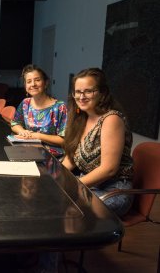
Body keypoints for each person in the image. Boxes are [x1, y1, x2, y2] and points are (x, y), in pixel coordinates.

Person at [62, 67, 133, 217]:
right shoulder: (81, 118)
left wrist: (71, 185)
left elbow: (109, 169)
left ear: (102, 92)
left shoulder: (111, 119)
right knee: (50, 200)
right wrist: (54, 177)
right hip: (87, 184)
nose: (81, 97)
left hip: (112, 191)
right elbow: (71, 159)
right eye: (78, 92)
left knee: (66, 212)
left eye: (88, 91)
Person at [11, 64, 67, 157]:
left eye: (37, 80)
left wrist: (36, 136)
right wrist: (22, 131)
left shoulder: (61, 107)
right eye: (29, 81)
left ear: (46, 83)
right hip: (29, 151)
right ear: (25, 86)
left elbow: (64, 140)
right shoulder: (25, 103)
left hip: (52, 156)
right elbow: (14, 123)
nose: (33, 84)